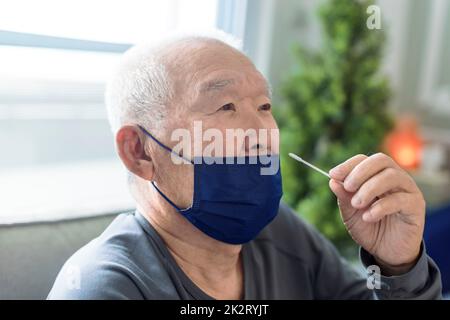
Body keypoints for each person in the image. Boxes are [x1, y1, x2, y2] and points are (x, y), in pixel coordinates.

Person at [48, 32, 441, 299]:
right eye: (226, 106)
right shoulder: (106, 286)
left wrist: (398, 265)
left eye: (265, 106)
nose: (263, 131)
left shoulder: (282, 234)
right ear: (140, 152)